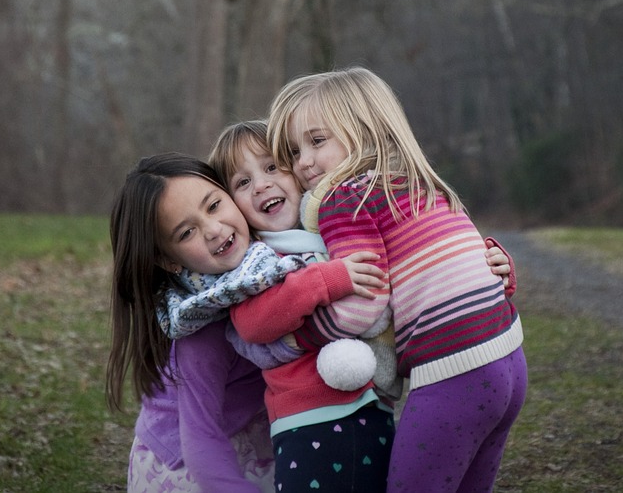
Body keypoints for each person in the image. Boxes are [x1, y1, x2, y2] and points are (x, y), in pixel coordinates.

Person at [206, 120, 518, 493]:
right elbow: (252, 320)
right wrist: (327, 279)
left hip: (375, 406)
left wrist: (495, 265)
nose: (261, 185)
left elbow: (418, 259)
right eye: (242, 183)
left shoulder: (335, 225)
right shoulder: (257, 260)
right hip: (309, 417)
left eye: (272, 167)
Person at [106, 152, 384, 493]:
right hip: (189, 466)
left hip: (255, 428)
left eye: (213, 206)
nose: (213, 229)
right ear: (168, 260)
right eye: (186, 232)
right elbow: (200, 440)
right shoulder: (201, 326)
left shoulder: (265, 264)